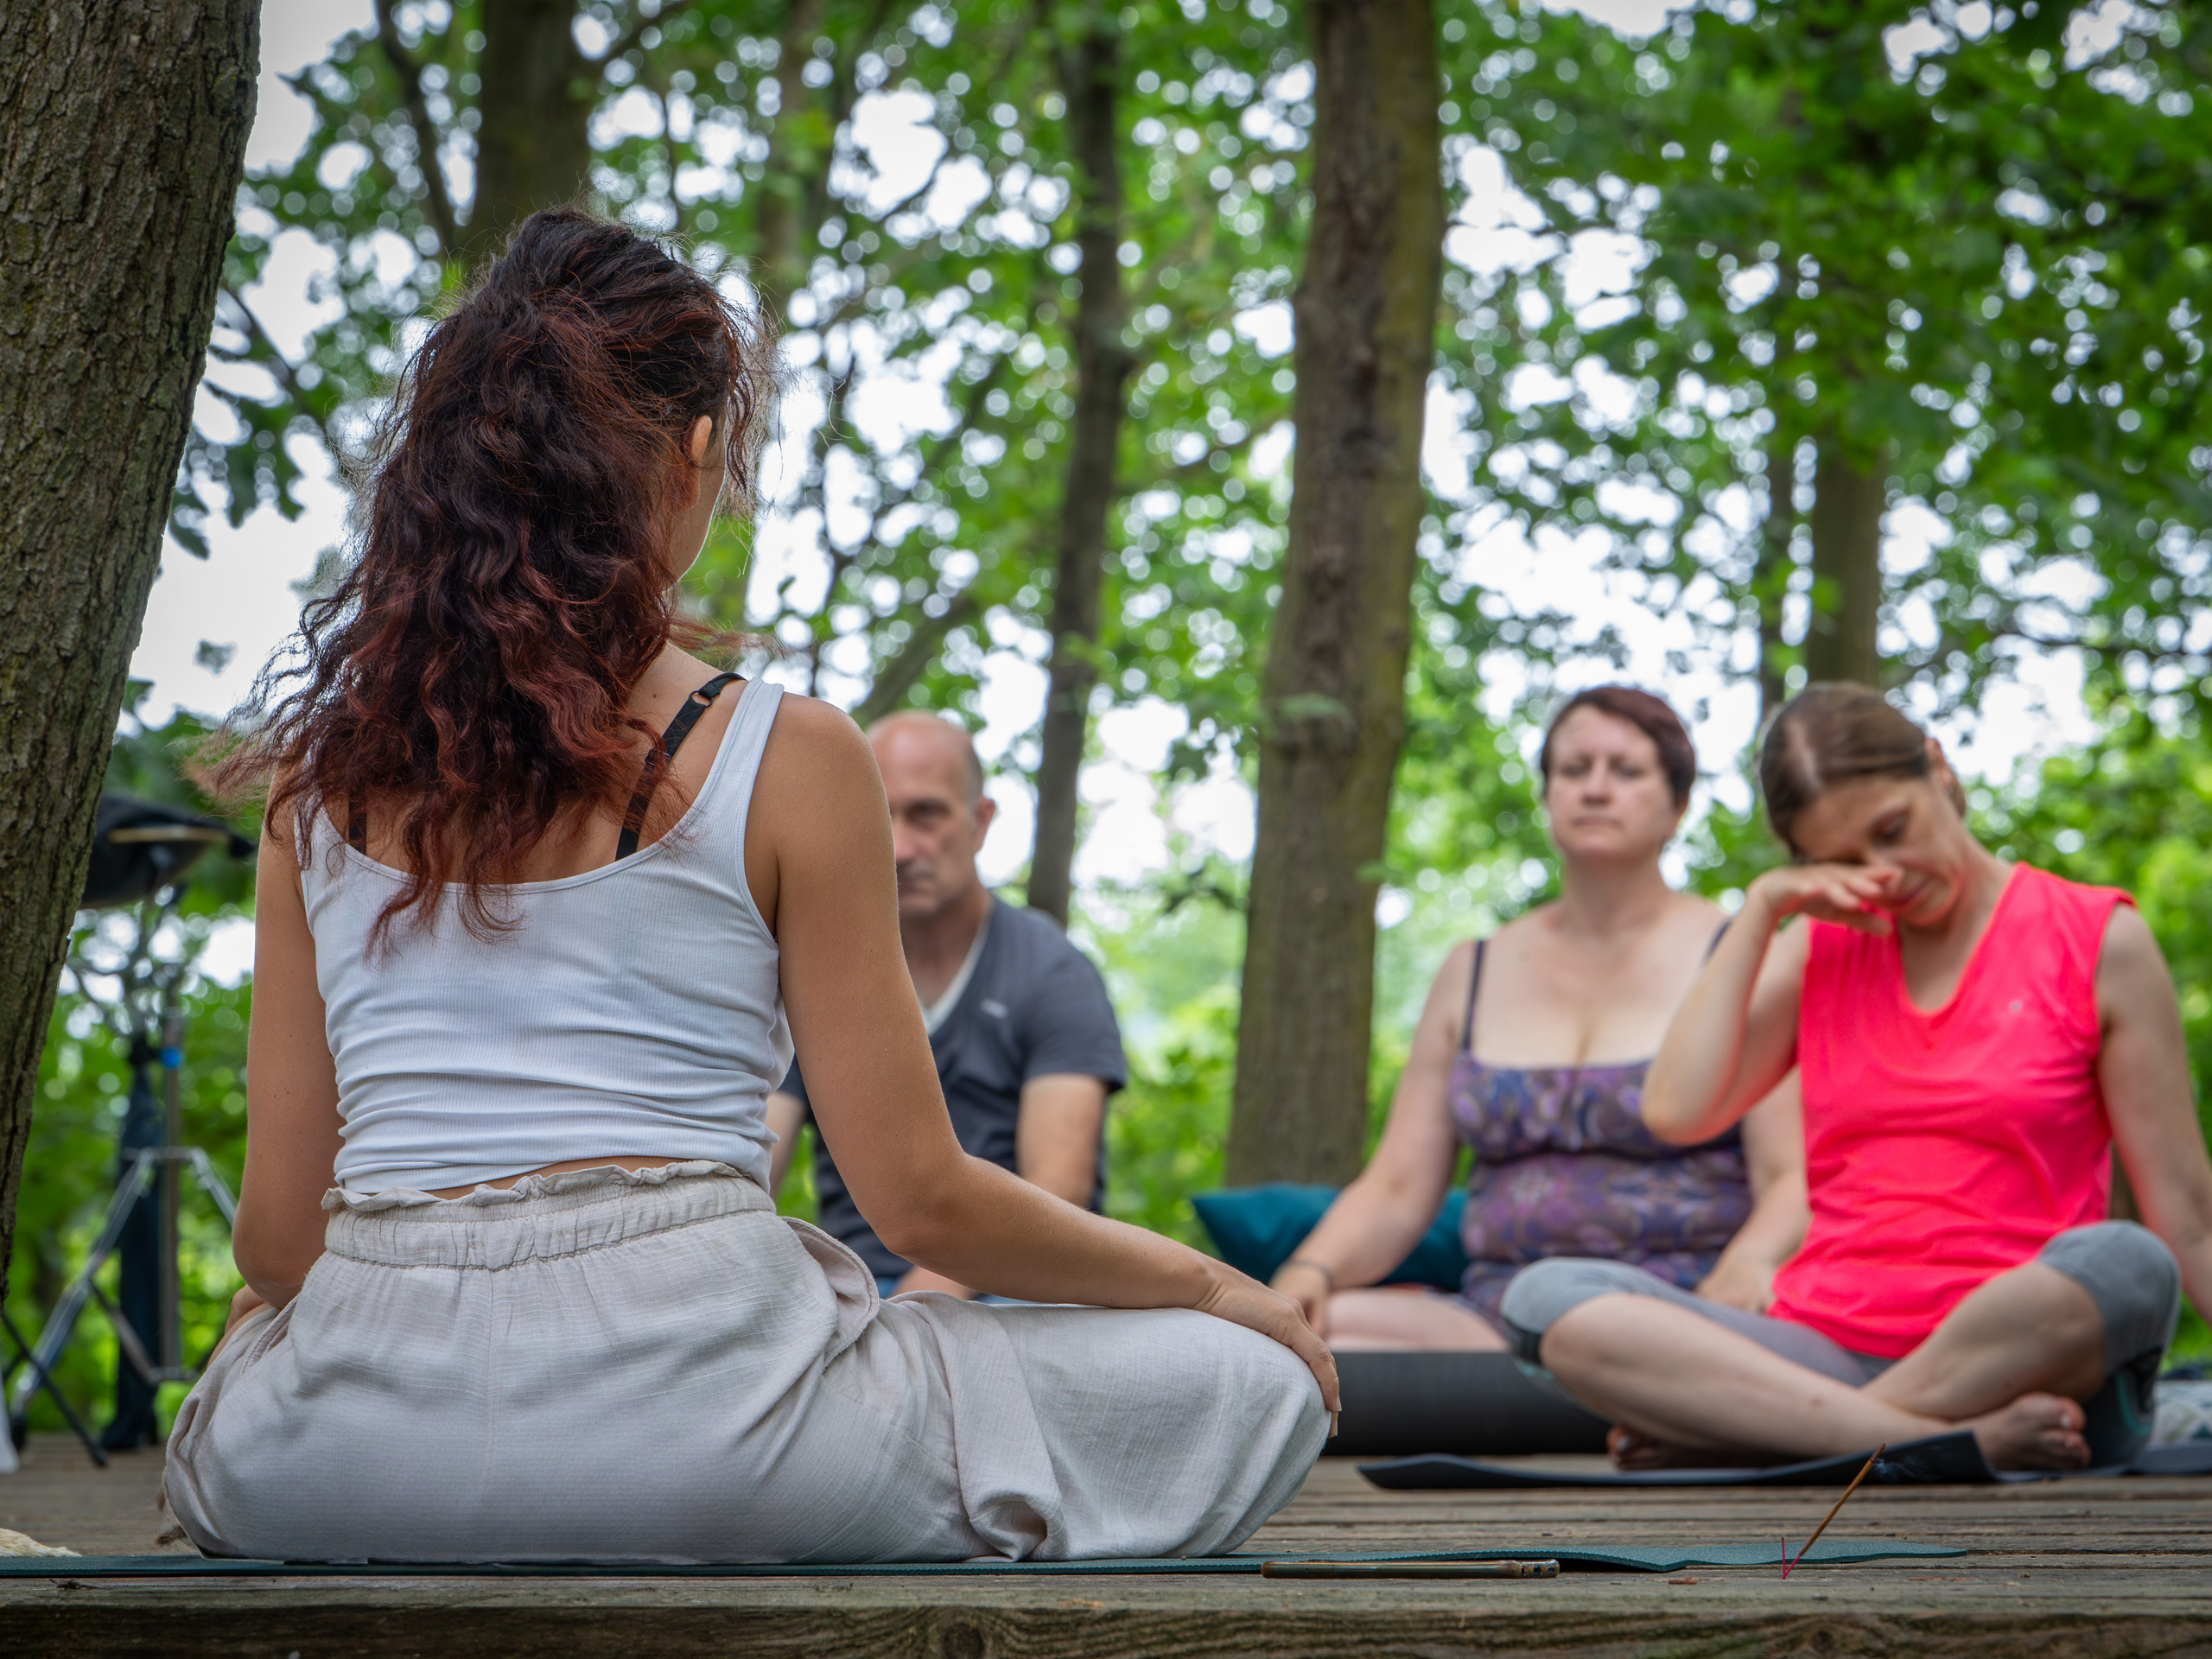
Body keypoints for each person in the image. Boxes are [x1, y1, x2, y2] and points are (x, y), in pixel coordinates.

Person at [162, 209, 1332, 1566]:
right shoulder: (788, 753)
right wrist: (1214, 1288)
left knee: (249, 1360)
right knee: (1249, 1379)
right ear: (696, 447)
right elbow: (922, 1201)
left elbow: (280, 1244)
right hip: (708, 1435)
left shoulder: (316, 790)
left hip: (345, 1460)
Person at [1503, 683, 2212, 1472]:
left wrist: (1735, 1423)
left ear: (1937, 768)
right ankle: (1907, 1442)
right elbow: (1675, 1110)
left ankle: (1781, 1438)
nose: (1885, 873)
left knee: (2130, 1262)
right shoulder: (1818, 947)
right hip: (1826, 1356)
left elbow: (2189, 1224)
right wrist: (1762, 912)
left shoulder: (2099, 939)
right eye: (1844, 860)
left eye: (1892, 830)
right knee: (1547, 1300)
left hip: (2031, 1363)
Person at [1272, 687, 1808, 1351]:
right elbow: (1399, 1184)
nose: (1596, 789)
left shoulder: (1742, 958)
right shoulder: (1474, 969)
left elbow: (1791, 1175)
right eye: (1574, 769)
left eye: (1627, 771)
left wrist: (1748, 1265)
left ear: (1677, 806)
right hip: (1496, 1319)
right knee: (1300, 1336)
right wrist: (1310, 1270)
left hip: (1680, 1315)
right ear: (1549, 795)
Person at [766, 715, 1125, 1300]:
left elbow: (1060, 1188)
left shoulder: (1052, 972)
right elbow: (753, 1159)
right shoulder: (820, 970)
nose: (900, 848)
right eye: (878, 816)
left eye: (926, 814)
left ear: (980, 821)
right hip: (855, 1285)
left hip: (1013, 1285)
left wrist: (912, 1310)